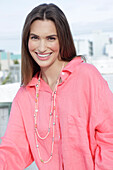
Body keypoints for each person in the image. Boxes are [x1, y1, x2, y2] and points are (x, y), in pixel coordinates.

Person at [0, 3, 113, 170]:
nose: (42, 47)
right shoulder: (25, 96)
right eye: (35, 37)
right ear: (26, 41)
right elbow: (13, 151)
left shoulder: (86, 76)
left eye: (50, 38)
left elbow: (109, 137)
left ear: (62, 39)